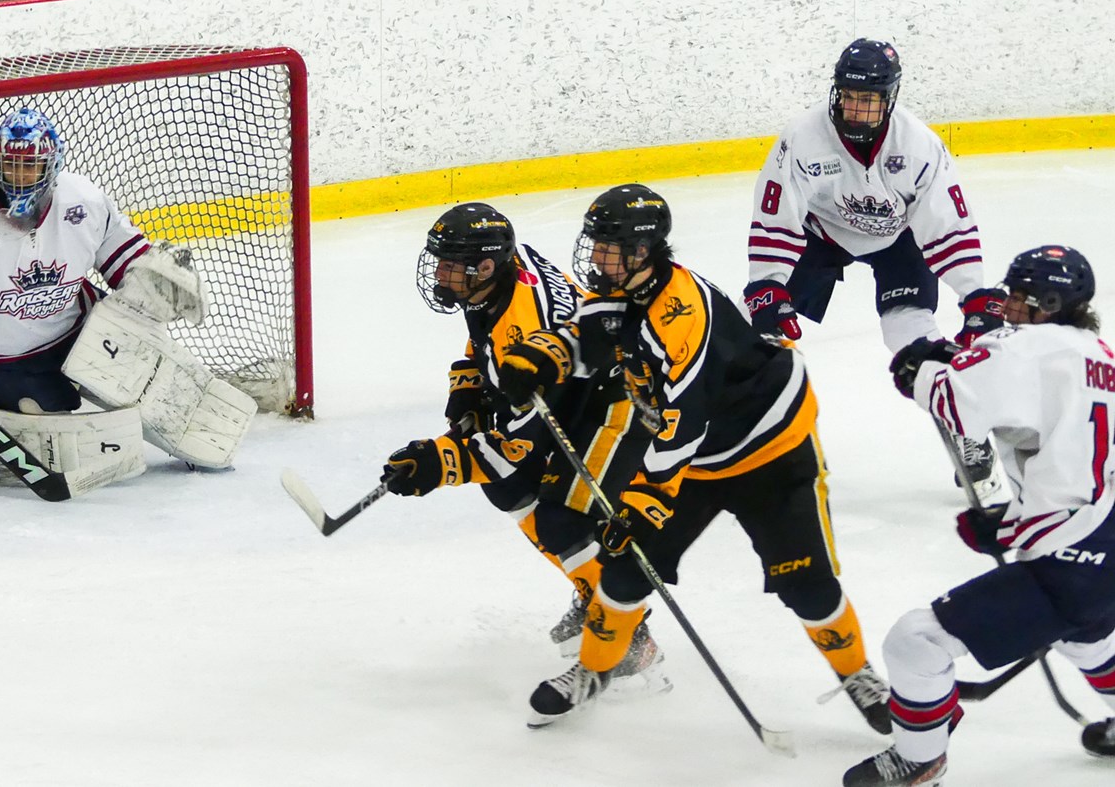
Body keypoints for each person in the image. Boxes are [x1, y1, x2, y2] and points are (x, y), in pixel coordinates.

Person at [497, 183, 891, 732]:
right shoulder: (625, 291)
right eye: (596, 245)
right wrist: (546, 356)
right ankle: (594, 670)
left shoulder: (682, 311)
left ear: (642, 251)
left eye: (610, 248)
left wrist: (644, 496)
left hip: (769, 448)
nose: (597, 258)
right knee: (626, 570)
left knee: (807, 584)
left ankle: (858, 675)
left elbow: (686, 418)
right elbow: (589, 335)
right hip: (698, 459)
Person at [0, 108, 256, 491]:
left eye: (30, 165)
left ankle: (199, 441)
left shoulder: (84, 203)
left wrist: (156, 282)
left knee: (147, 381)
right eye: (9, 164)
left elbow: (125, 260)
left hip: (77, 332)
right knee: (52, 421)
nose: (19, 176)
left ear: (52, 165)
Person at [378, 202, 667, 724]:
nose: (439, 274)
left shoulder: (523, 321)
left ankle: (629, 639)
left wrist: (436, 463)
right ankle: (593, 592)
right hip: (564, 391)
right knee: (508, 491)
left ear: (484, 267)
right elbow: (482, 339)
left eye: (450, 265)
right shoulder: (499, 278)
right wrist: (467, 388)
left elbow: (516, 449)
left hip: (612, 403)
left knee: (561, 516)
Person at [845, 245, 1115, 786]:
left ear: (1054, 303)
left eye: (1022, 298)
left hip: (1071, 558)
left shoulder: (1031, 349)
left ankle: (920, 759)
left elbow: (952, 400)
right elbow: (1065, 451)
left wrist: (916, 365)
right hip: (1102, 539)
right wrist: (1014, 519)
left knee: (915, 642)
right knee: (1087, 636)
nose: (1009, 306)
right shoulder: (1101, 356)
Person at [743, 38, 1007, 502]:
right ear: (836, 92)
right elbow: (776, 215)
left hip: (898, 242)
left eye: (869, 99)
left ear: (890, 97)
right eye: (849, 96)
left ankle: (969, 426)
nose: (857, 109)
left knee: (910, 336)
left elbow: (948, 226)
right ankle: (755, 441)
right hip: (820, 237)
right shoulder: (802, 137)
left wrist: (974, 294)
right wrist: (768, 286)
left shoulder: (920, 146)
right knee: (762, 336)